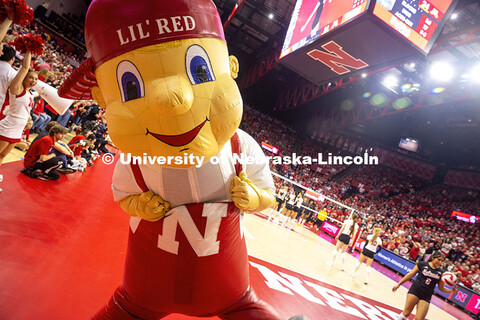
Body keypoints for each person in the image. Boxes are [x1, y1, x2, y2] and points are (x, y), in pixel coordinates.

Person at [392, 251, 458, 320]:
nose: (440, 262)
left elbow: (440, 288)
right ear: (433, 258)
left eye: (442, 261)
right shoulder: (422, 264)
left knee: (419, 318)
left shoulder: (442, 273)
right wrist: (399, 284)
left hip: (426, 295)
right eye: (439, 260)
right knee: (406, 313)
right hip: (415, 290)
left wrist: (451, 290)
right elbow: (410, 274)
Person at [0, 50, 36, 165]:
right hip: (8, 126)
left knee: (3, 155)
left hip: (18, 129)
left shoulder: (30, 93)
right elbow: (25, 67)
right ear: (23, 78)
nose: (33, 81)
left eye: (36, 79)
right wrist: (29, 50)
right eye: (30, 77)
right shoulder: (17, 89)